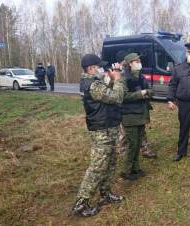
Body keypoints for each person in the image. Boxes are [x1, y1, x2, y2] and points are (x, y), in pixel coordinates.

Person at [72, 54, 124, 217]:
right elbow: (116, 97)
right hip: (101, 131)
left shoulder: (95, 82)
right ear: (91, 68)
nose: (102, 69)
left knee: (110, 162)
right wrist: (119, 79)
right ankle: (80, 204)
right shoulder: (92, 85)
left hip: (108, 127)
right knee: (97, 167)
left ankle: (105, 193)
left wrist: (113, 76)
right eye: (99, 66)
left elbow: (107, 89)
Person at [119, 53, 154, 181]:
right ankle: (126, 170)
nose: (139, 62)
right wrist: (140, 94)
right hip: (129, 116)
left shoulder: (140, 76)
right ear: (129, 64)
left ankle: (136, 168)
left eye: (139, 60)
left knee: (138, 142)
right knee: (132, 144)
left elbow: (150, 90)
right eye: (136, 61)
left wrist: (147, 92)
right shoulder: (123, 78)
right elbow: (124, 96)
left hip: (140, 115)